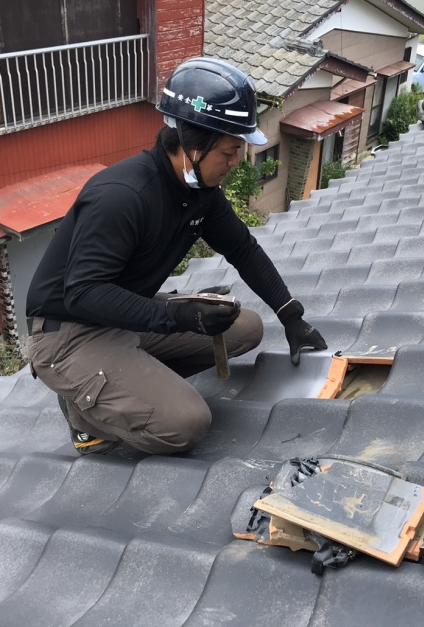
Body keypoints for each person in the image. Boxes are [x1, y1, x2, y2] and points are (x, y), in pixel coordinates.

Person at [25, 57, 327, 456]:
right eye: (229, 152)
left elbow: (242, 249)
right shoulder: (122, 197)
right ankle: (86, 414)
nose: (235, 162)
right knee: (185, 424)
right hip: (68, 332)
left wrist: (291, 315)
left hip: (123, 313)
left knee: (245, 329)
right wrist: (176, 317)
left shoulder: (199, 192)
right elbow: (84, 294)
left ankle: (130, 379)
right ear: (192, 145)